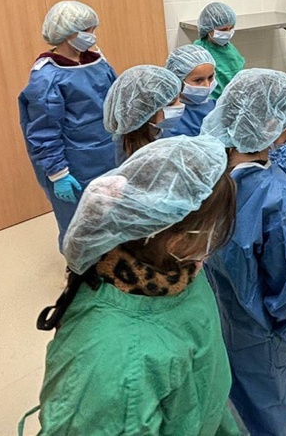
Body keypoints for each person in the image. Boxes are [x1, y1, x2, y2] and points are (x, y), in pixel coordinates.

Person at [20, 136, 241, 436]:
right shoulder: (111, 366)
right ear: (179, 238)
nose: (213, 242)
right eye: (212, 230)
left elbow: (203, 380)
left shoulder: (180, 271)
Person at [201, 69, 286, 436]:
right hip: (265, 335)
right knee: (273, 402)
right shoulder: (280, 201)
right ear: (275, 127)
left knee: (235, 390)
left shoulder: (206, 172)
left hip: (221, 311)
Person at [18, 0, 117, 246]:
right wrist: (58, 172)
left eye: (93, 29)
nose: (92, 36)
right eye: (87, 31)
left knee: (111, 215)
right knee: (78, 222)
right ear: (66, 33)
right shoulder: (47, 78)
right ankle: (77, 270)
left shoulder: (97, 62)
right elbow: (43, 132)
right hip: (75, 164)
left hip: (107, 152)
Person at [103, 65, 183, 165]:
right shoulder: (130, 152)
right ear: (146, 111)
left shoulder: (160, 131)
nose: (180, 105)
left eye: (179, 99)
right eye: (171, 104)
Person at [194, 2, 245, 100]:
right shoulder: (199, 51)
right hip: (210, 103)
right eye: (223, 29)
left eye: (231, 28)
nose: (228, 33)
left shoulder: (228, 47)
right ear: (208, 28)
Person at [164, 44, 218, 136]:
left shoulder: (215, 106)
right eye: (198, 80)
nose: (207, 85)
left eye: (210, 77)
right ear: (177, 80)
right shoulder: (169, 115)